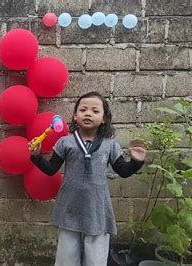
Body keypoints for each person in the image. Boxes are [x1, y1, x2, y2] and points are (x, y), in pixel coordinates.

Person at [28, 91, 146, 266]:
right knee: (66, 256)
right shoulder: (65, 142)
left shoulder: (110, 145)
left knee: (96, 258)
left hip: (97, 208)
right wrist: (36, 157)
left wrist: (136, 161)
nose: (88, 113)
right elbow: (51, 169)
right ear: (75, 116)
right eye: (83, 109)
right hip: (70, 206)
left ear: (104, 118)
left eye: (95, 111)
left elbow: (123, 171)